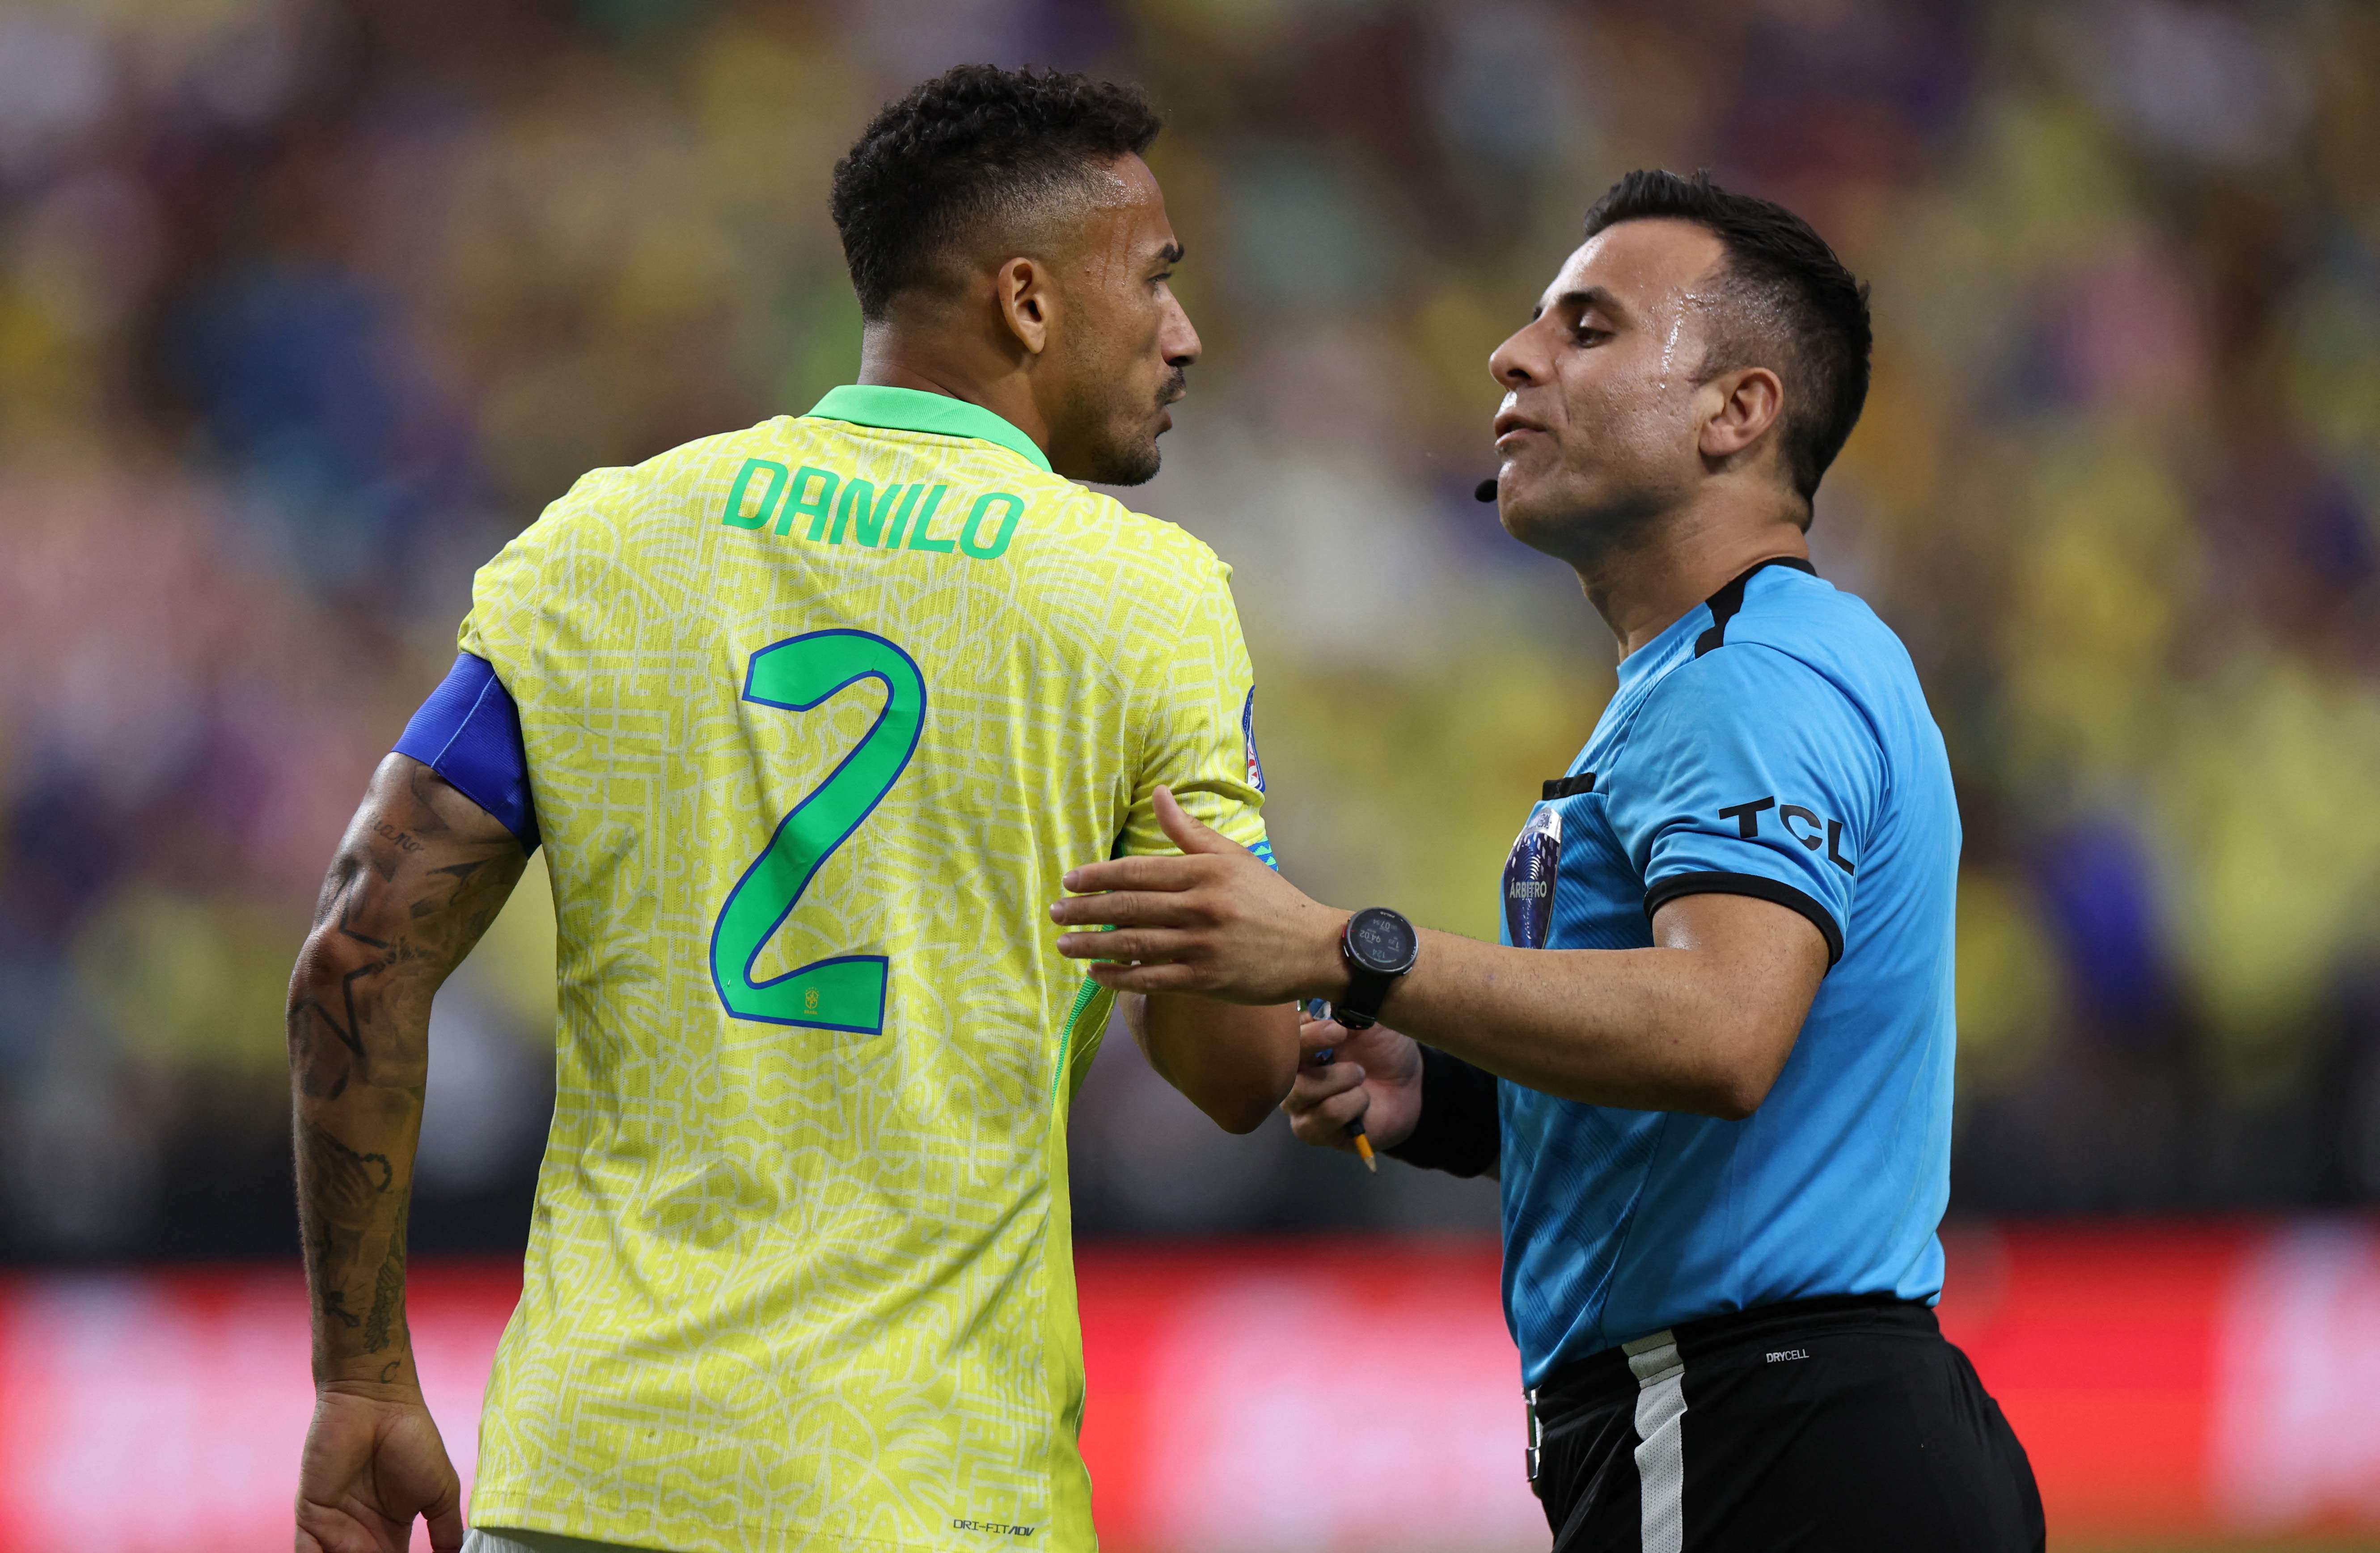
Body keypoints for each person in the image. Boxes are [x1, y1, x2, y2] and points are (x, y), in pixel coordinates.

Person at [286, 65, 1298, 1553]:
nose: (1182, 332)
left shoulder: (606, 541)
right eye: (1154, 280)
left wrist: (361, 1378)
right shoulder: (1142, 599)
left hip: (592, 1476)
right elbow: (1235, 1070)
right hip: (931, 1491)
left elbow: (354, 955)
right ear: (1027, 301)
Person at [1050, 170, 2045, 1551]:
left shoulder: (1751, 677)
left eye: (1587, 328)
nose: (1512, 355)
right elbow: (1716, 1083)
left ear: (1736, 412)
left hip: (1762, 1434)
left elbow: (1722, 1029)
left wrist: (1356, 954)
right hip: (1783, 1429)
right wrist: (1456, 1099)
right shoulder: (1716, 670)